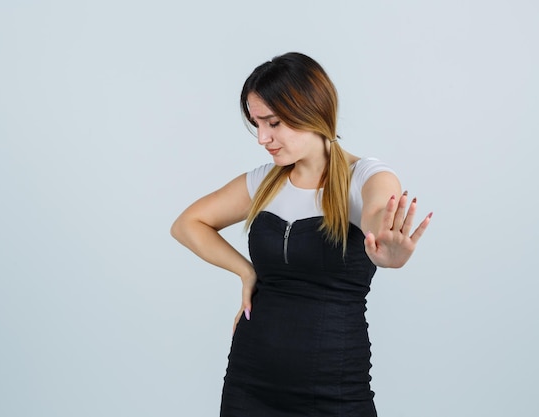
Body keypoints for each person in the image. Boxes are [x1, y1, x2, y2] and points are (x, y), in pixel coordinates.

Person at [170, 52, 432, 417]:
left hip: (334, 390)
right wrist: (247, 272)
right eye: (256, 124)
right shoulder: (263, 181)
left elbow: (376, 219)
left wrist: (387, 251)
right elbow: (187, 224)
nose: (263, 138)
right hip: (250, 383)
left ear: (311, 111)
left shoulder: (366, 177)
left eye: (273, 123)